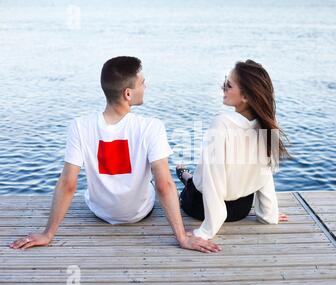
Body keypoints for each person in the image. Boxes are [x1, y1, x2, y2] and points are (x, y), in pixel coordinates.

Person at [10, 56, 220, 253]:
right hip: (138, 213)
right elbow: (165, 185)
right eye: (142, 83)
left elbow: (68, 184)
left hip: (100, 211)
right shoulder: (151, 127)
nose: (145, 86)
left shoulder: (80, 126)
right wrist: (182, 237)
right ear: (128, 94)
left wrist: (48, 234)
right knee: (157, 183)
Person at [176, 59, 289, 240]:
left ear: (245, 96)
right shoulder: (267, 125)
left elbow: (213, 181)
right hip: (241, 209)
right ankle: (186, 174)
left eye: (228, 85)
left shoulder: (222, 124)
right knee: (201, 174)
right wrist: (270, 214)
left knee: (194, 181)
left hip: (201, 208)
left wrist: (206, 231)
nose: (223, 88)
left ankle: (184, 174)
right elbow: (265, 175)